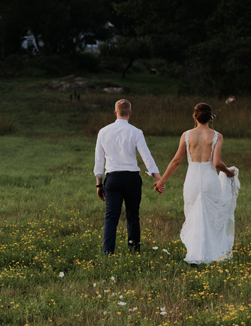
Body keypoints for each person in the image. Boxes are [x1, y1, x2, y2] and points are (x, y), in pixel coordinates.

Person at [154, 102, 239, 264]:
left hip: (192, 180)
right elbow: (217, 163)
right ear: (211, 118)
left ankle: (195, 254)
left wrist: (161, 181)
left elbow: (176, 161)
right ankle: (212, 253)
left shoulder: (186, 135)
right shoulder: (217, 136)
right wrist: (230, 173)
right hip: (210, 180)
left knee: (193, 216)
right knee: (211, 218)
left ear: (195, 116)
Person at [93, 98, 161, 254]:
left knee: (111, 217)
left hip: (113, 179)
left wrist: (99, 184)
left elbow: (99, 161)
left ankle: (108, 253)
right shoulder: (136, 132)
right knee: (133, 216)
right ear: (130, 113)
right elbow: (147, 157)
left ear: (115, 113)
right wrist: (159, 179)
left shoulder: (103, 131)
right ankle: (134, 251)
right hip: (132, 179)